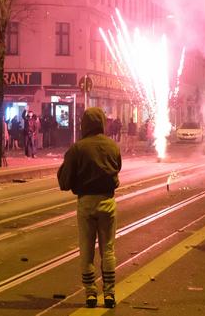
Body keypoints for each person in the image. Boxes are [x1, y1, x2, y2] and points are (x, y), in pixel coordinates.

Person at [57, 107, 121, 309]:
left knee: (86, 250)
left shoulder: (78, 148)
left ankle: (91, 294)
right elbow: (117, 169)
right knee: (108, 249)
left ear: (84, 124)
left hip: (86, 203)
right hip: (107, 202)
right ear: (102, 122)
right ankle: (109, 293)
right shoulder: (112, 146)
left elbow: (64, 181)